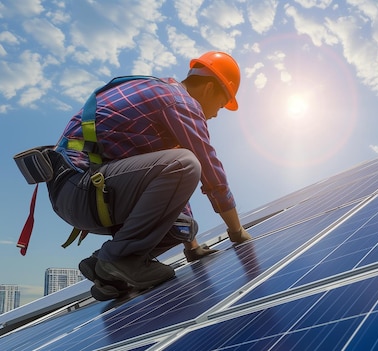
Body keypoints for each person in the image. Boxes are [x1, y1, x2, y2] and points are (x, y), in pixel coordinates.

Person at [47, 51, 252, 301]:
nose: (217, 114)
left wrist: (193, 247)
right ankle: (119, 258)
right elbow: (209, 168)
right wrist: (237, 232)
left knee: (184, 227)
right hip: (82, 187)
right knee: (187, 162)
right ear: (209, 88)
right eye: (221, 105)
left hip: (78, 192)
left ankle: (107, 271)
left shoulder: (158, 93)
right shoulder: (180, 101)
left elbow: (168, 189)